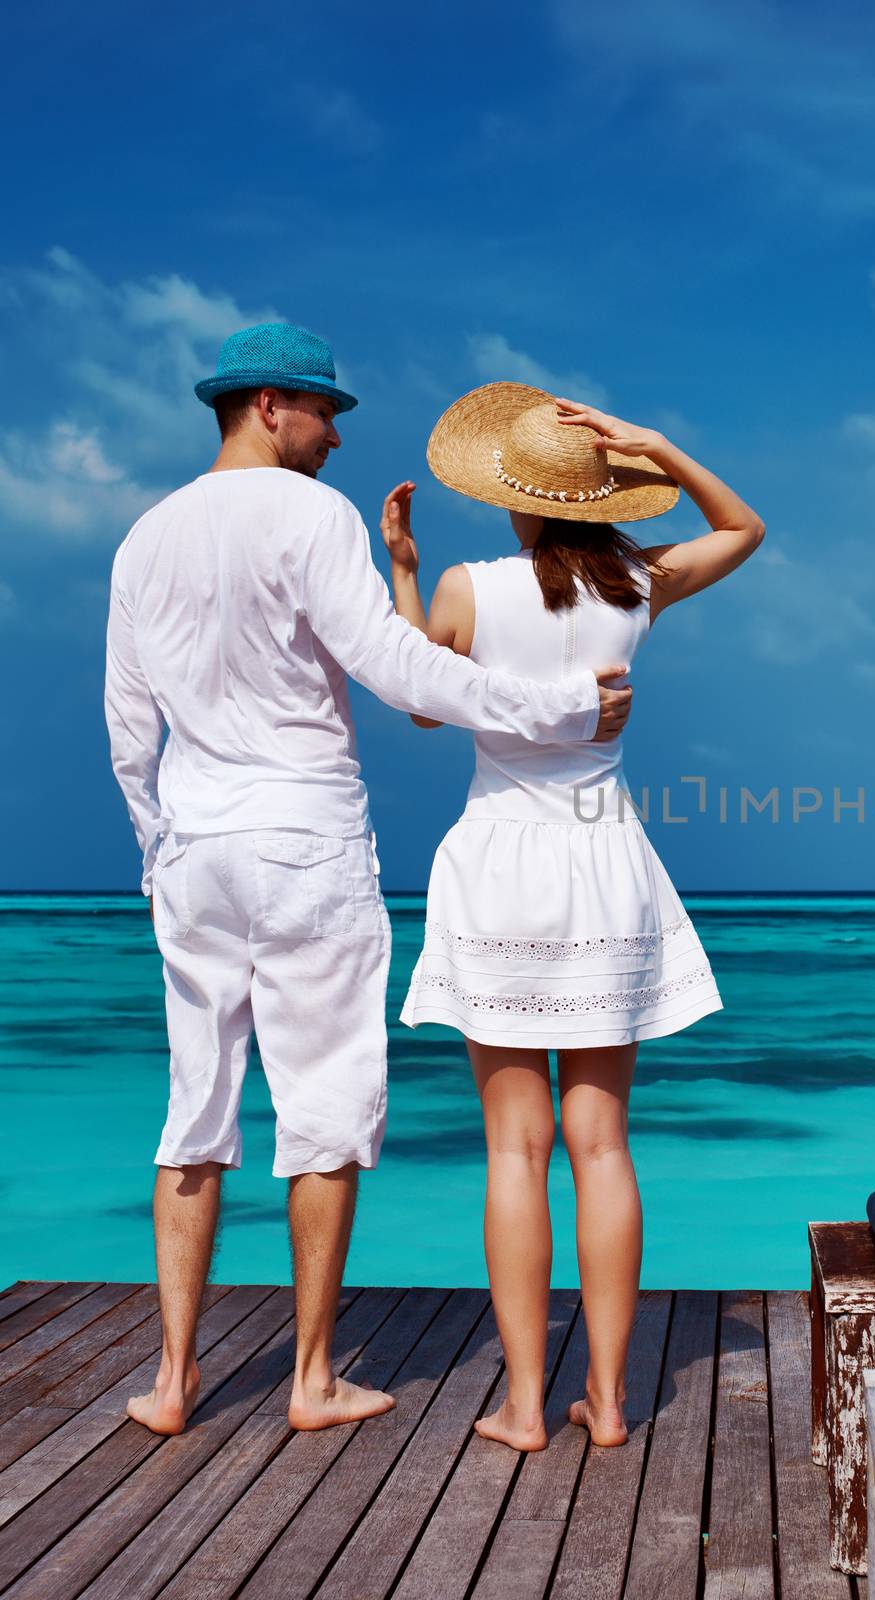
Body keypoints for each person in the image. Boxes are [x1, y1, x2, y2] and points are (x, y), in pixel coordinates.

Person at [103, 324, 635, 1438]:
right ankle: (309, 1379)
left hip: (194, 846)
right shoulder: (308, 516)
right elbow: (395, 666)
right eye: (324, 411)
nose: (338, 434)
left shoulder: (144, 536)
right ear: (266, 407)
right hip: (303, 837)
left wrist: (158, 844)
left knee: (193, 1107)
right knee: (325, 1108)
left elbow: (126, 724)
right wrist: (564, 707)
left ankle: (168, 1381)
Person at [383, 380, 762, 1450]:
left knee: (516, 1147)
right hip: (604, 863)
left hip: (501, 862)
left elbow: (421, 697)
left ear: (513, 496)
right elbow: (743, 527)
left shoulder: (470, 585)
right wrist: (660, 442)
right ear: (603, 499)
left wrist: (405, 579)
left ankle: (520, 1404)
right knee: (602, 1144)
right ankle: (607, 1396)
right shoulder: (638, 582)